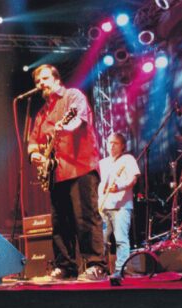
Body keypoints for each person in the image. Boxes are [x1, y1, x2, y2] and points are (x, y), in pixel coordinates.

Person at [27, 64, 108, 281]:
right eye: (37, 81)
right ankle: (65, 266)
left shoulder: (73, 96)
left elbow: (78, 120)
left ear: (56, 79)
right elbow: (33, 142)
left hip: (80, 167)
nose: (41, 84)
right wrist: (35, 155)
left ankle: (96, 265)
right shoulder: (42, 113)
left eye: (45, 79)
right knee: (59, 224)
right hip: (56, 173)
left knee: (85, 218)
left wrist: (65, 126)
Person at [97, 132, 140, 274]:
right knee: (101, 241)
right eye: (110, 143)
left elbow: (133, 180)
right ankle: (101, 269)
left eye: (115, 143)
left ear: (122, 146)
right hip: (103, 207)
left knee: (121, 239)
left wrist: (119, 187)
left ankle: (121, 269)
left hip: (121, 206)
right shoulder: (102, 163)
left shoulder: (128, 159)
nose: (111, 146)